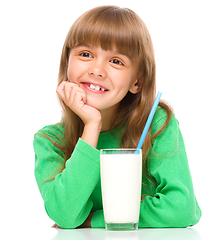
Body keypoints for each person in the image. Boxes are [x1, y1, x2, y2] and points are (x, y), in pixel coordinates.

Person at [33, 5, 201, 229]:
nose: (97, 70)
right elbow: (64, 214)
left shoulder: (156, 124)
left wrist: (94, 218)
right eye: (85, 54)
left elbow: (181, 210)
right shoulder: (49, 141)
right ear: (67, 63)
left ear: (136, 83)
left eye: (116, 61)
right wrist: (91, 125)